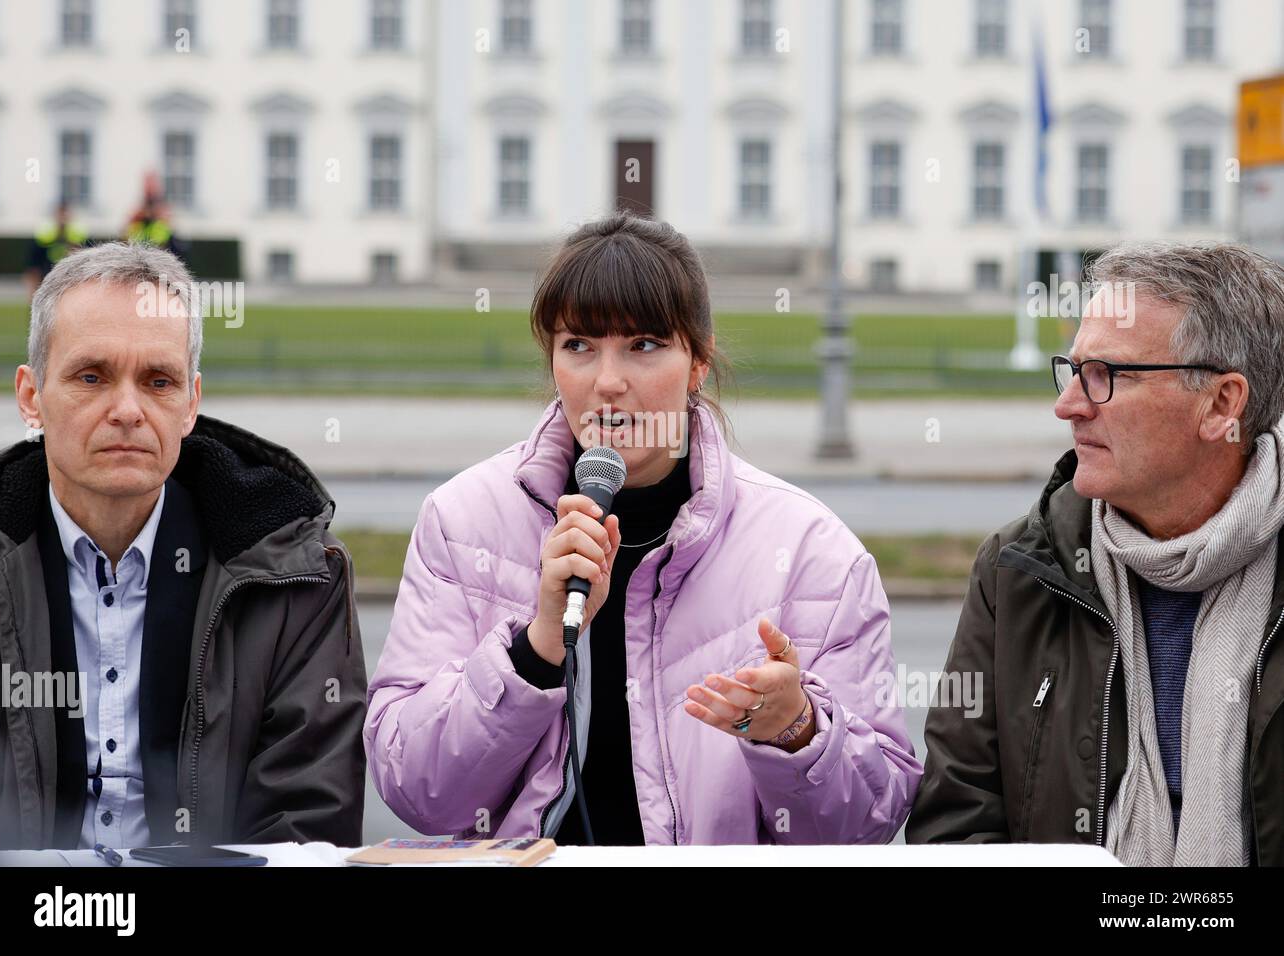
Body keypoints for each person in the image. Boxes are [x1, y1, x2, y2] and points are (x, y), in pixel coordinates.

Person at [365, 211, 920, 844]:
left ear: (699, 363)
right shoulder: (461, 523)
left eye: (644, 345)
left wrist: (796, 733)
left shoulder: (812, 552)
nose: (607, 382)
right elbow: (414, 788)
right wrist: (537, 649)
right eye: (578, 346)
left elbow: (867, 825)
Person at [906, 241, 1284, 866]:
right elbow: (955, 828)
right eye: (1073, 370)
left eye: (1108, 375)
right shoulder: (1018, 572)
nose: (1069, 405)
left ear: (1221, 404)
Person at [0, 242, 366, 850]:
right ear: (31, 397)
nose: (128, 411)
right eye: (92, 376)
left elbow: (304, 825)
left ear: (191, 402)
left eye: (158, 381)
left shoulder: (295, 573)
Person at [25, 202, 87, 300]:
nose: (62, 219)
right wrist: (32, 290)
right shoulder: (44, 236)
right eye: (60, 214)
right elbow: (33, 267)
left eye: (65, 214)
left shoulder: (78, 235)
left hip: (70, 282)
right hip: (46, 282)